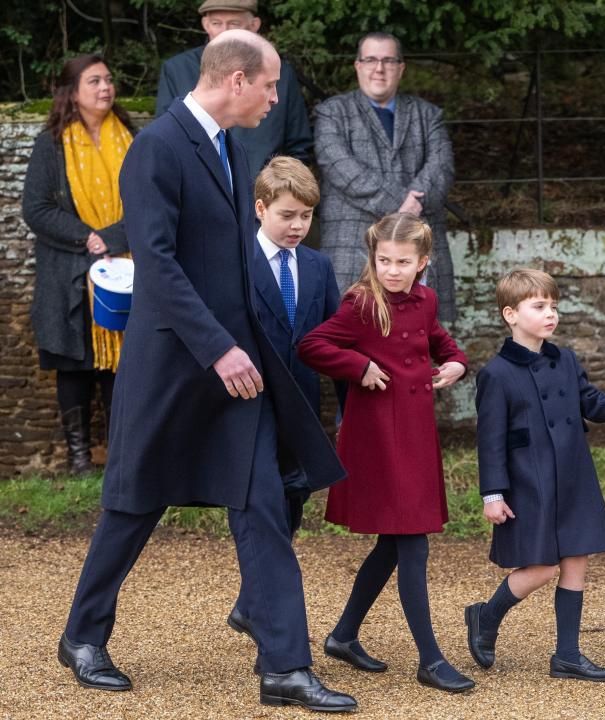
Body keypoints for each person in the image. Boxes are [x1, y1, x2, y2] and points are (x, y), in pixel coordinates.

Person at [56, 30, 356, 713]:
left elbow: (235, 259)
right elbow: (157, 265)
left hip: (237, 373)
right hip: (173, 368)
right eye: (271, 85)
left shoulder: (230, 145)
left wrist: (260, 342)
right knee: (134, 505)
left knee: (262, 508)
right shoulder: (157, 148)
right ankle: (81, 637)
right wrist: (217, 347)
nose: (277, 99)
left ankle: (285, 666)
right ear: (237, 80)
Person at [297, 213, 474, 693]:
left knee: (395, 543)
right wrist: (359, 365)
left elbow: (436, 339)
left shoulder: (427, 299)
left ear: (423, 263)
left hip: (416, 433)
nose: (392, 270)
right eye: (383, 261)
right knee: (412, 542)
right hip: (378, 437)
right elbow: (312, 345)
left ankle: (343, 635)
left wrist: (456, 362)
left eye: (402, 262)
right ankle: (431, 659)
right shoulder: (360, 302)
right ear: (372, 259)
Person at [464, 268, 605, 682]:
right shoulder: (495, 374)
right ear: (511, 314)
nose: (550, 314)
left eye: (553, 306)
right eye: (539, 306)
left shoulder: (566, 359)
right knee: (540, 568)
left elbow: (593, 404)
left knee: (576, 560)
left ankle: (568, 655)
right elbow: (490, 441)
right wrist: (493, 494)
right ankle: (485, 617)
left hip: (573, 477)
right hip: (528, 484)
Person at [226, 155, 343, 648]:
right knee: (263, 509)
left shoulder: (318, 266)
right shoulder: (234, 263)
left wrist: (346, 410)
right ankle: (270, 618)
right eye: (287, 215)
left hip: (302, 408)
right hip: (249, 408)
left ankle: (250, 604)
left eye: (306, 216)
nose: (298, 226)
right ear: (260, 208)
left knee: (293, 501)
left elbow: (335, 341)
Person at [23, 54, 135, 475]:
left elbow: (149, 200)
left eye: (109, 79)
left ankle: (120, 455)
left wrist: (113, 237)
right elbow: (36, 208)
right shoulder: (50, 143)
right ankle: (79, 459)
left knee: (119, 364)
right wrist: (85, 236)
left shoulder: (134, 138)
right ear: (72, 92)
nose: (106, 87)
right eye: (95, 81)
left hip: (124, 267)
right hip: (67, 271)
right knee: (74, 363)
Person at [314, 31, 457, 322]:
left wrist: (413, 203)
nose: (379, 68)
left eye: (388, 60)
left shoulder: (428, 114)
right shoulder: (332, 113)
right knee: (353, 344)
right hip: (352, 245)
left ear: (401, 67)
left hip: (417, 249)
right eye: (370, 60)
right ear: (358, 66)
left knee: (419, 339)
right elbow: (341, 168)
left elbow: (441, 166)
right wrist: (405, 205)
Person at [155, 0, 313, 177]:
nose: (225, 32)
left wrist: (279, 192)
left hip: (266, 194)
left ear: (254, 25)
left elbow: (298, 145)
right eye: (216, 23)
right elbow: (167, 136)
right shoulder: (178, 69)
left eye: (234, 24)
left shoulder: (281, 73)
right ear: (205, 25)